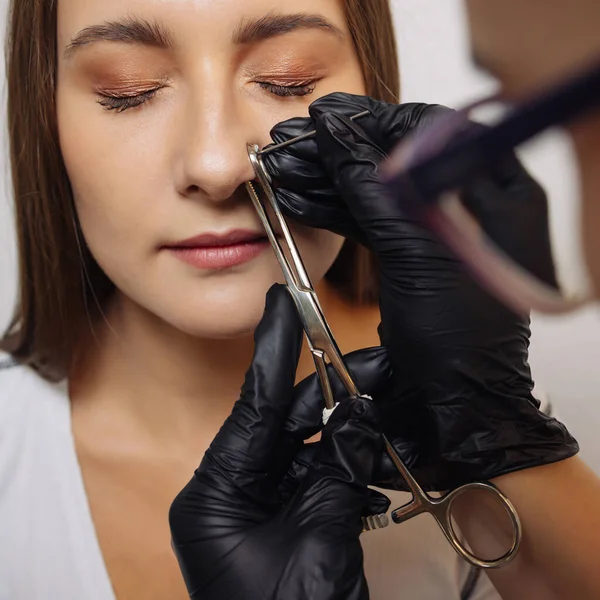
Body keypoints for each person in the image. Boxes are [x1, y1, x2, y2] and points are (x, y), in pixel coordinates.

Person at [0, 0, 521, 599]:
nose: (218, 166)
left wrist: (508, 437)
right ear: (46, 122)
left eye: (286, 79)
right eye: (130, 90)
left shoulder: (484, 422)